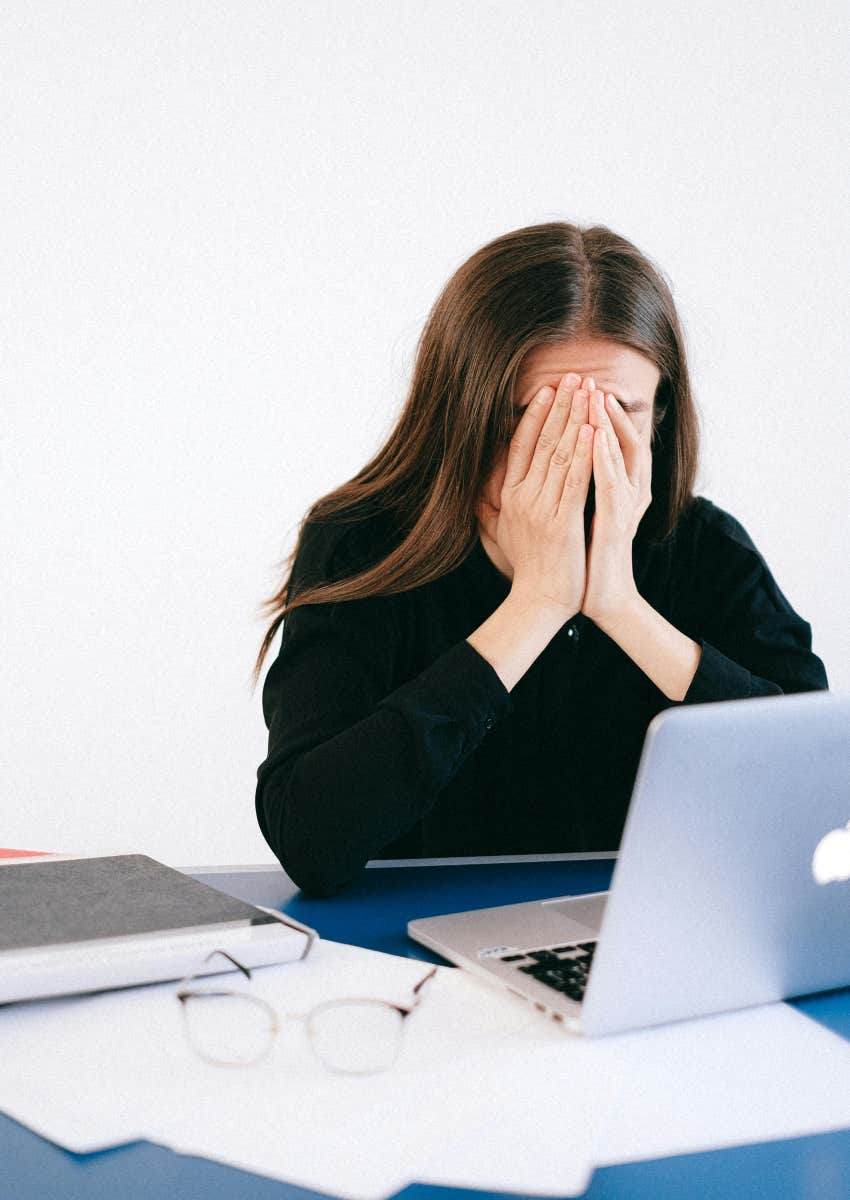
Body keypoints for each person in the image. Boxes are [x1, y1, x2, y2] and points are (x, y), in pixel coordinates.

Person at [250, 221, 829, 897]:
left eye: (619, 417)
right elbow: (309, 840)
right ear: (462, 413)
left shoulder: (704, 548)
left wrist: (620, 607)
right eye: (536, 418)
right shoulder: (361, 543)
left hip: (636, 932)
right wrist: (536, 604)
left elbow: (812, 796)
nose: (577, 455)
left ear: (660, 417)